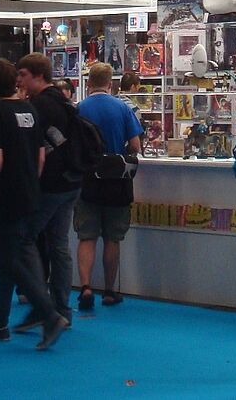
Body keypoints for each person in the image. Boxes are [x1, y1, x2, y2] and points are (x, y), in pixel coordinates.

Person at [0, 58, 69, 349]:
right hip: (30, 191)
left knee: (9, 258)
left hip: (6, 194)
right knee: (16, 254)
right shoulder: (30, 110)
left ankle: (48, 313)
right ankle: (0, 323)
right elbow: (40, 158)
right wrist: (29, 184)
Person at [16, 53, 80, 330]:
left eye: (23, 75)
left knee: (23, 240)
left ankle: (42, 306)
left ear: (38, 75)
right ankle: (61, 309)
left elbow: (34, 150)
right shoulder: (64, 101)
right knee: (59, 245)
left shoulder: (37, 106)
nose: (19, 80)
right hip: (71, 182)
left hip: (50, 184)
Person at [75, 62, 143, 309]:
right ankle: (109, 290)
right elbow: (135, 146)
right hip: (117, 182)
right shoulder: (123, 108)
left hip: (88, 180)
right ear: (110, 84)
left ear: (89, 83)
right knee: (112, 238)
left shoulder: (79, 108)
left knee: (87, 236)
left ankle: (85, 287)